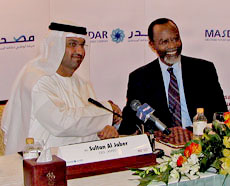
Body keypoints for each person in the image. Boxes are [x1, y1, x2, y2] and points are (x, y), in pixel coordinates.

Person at [2, 22, 122, 155]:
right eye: (72, 44)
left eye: (82, 45)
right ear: (55, 46)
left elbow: (85, 127)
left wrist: (107, 130)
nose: (80, 51)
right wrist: (108, 112)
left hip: (78, 160)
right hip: (40, 163)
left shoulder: (82, 83)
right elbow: (62, 123)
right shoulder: (36, 80)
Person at [119, 18, 228, 135]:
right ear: (152, 45)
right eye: (164, 42)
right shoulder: (139, 78)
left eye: (175, 39)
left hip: (200, 140)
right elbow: (129, 124)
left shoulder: (204, 70)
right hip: (162, 144)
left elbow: (221, 115)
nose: (172, 46)